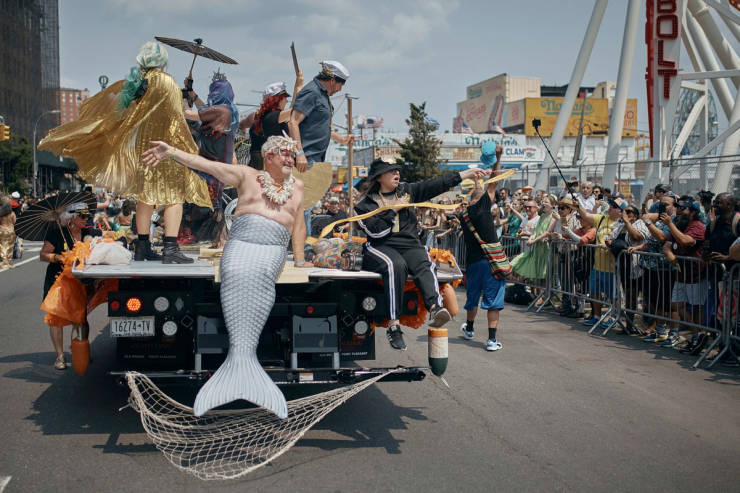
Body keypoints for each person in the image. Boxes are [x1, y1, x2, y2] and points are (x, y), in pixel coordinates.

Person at [142, 134, 305, 419]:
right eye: (284, 154)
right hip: (240, 246)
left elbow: (299, 226)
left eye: (292, 155)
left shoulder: (299, 187)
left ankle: (246, 363)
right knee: (237, 270)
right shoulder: (247, 175)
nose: (290, 159)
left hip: (273, 250)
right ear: (268, 157)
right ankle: (238, 362)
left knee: (264, 278)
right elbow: (206, 165)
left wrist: (301, 261)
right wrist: (172, 152)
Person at [39, 41, 211, 264]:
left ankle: (142, 246)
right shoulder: (166, 81)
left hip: (143, 145)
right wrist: (187, 147)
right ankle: (170, 248)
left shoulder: (138, 82)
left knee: (146, 196)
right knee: (175, 196)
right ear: (163, 62)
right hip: (164, 146)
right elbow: (176, 119)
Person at [354, 158, 489, 350]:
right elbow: (376, 232)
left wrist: (466, 174)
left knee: (424, 261)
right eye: (391, 171)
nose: (397, 174)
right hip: (381, 245)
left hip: (409, 243)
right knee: (395, 266)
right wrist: (393, 209)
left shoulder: (407, 191)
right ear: (379, 177)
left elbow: (434, 185)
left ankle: (435, 307)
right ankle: (394, 326)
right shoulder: (364, 205)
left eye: (397, 170)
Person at [39, 204, 101, 369]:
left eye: (87, 216)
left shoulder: (88, 233)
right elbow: (43, 255)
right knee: (55, 318)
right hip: (57, 280)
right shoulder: (56, 233)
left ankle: (81, 350)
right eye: (82, 216)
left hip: (79, 281)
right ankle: (60, 356)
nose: (86, 219)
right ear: (71, 217)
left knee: (80, 317)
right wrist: (59, 257)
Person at [459, 145, 506, 351]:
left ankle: (469, 329)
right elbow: (495, 179)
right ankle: (491, 340)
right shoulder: (484, 206)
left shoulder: (464, 215)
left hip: (472, 263)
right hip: (490, 262)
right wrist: (498, 156)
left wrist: (477, 181)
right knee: (493, 301)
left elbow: (483, 188)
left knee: (473, 298)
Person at [288, 60, 353, 172]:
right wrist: (299, 153)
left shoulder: (323, 95)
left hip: (313, 159)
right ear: (332, 80)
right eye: (340, 85)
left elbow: (321, 127)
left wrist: (343, 140)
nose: (340, 90)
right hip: (304, 159)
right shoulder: (312, 92)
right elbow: (293, 122)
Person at [661, 196, 706, 348]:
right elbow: (667, 244)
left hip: (695, 275)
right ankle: (698, 335)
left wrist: (670, 224)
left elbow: (685, 240)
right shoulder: (679, 224)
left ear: (692, 212)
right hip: (681, 274)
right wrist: (670, 255)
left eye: (683, 208)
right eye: (678, 208)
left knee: (696, 307)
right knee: (677, 305)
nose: (679, 210)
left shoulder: (697, 226)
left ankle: (697, 337)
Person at [577, 196, 624, 328]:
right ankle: (596, 316)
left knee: (613, 296)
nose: (610, 208)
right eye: (610, 205)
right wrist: (578, 204)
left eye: (614, 207)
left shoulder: (621, 224)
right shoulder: (602, 218)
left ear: (621, 211)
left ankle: (614, 317)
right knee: (594, 292)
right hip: (598, 266)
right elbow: (585, 215)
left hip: (612, 268)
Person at [250, 73, 303, 169]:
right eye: (285, 98)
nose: (286, 101)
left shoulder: (267, 116)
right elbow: (295, 109)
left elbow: (293, 107)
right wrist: (299, 87)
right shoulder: (272, 117)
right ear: (277, 100)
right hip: (268, 168)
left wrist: (297, 86)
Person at [0, 196, 16, 269]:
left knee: (3, 246)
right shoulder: (12, 213)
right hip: (11, 230)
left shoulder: (1, 214)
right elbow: (15, 222)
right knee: (10, 247)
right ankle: (9, 262)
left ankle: (4, 262)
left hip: (2, 230)